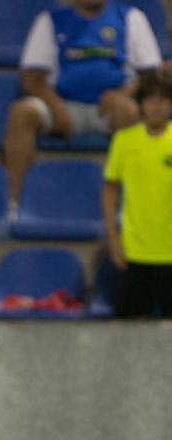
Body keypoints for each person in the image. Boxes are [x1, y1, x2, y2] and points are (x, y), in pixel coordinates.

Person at [3, 0, 161, 204]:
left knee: (128, 110)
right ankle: (14, 204)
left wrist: (123, 94)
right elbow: (31, 78)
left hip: (110, 110)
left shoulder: (131, 18)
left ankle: (129, 202)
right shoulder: (51, 21)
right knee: (22, 111)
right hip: (63, 105)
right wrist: (56, 106)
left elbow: (150, 74)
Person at [102, 71, 172, 318]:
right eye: (151, 100)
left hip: (170, 252)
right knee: (130, 336)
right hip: (135, 252)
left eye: (163, 99)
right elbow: (110, 190)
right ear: (141, 104)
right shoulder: (124, 141)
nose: (156, 106)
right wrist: (113, 238)